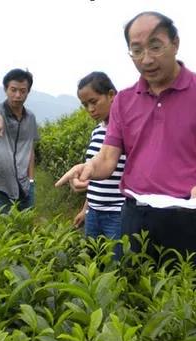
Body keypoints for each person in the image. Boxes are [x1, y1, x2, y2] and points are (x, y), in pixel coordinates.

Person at [56, 11, 196, 283]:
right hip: (135, 216)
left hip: (187, 217)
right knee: (131, 294)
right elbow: (107, 159)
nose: (147, 59)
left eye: (156, 46)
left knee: (187, 300)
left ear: (175, 43)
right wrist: (88, 169)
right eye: (137, 50)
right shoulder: (124, 101)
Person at [73, 72, 126, 259]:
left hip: (117, 213)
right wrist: (85, 209)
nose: (90, 109)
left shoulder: (128, 130)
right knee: (94, 264)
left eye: (94, 102)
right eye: (85, 105)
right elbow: (94, 176)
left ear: (111, 95)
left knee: (115, 268)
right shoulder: (97, 131)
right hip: (94, 212)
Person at [0, 68, 39, 212]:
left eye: (22, 91)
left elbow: (30, 149)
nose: (18, 95)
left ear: (28, 92)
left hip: (25, 187)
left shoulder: (30, 118)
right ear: (5, 89)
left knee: (24, 231)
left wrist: (31, 181)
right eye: (13, 90)